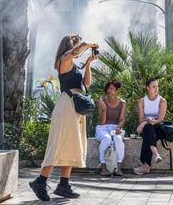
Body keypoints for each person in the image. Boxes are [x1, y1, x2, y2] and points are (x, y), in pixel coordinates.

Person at [29, 34, 99, 201]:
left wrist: (88, 63)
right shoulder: (64, 60)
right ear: (70, 45)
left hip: (74, 107)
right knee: (57, 144)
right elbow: (75, 51)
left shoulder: (73, 64)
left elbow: (86, 84)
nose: (80, 46)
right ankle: (40, 181)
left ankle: (63, 185)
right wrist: (88, 44)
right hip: (67, 106)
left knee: (71, 145)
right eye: (77, 43)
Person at [133, 77, 167, 175]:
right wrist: (147, 120)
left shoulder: (162, 101)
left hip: (159, 128)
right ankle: (155, 155)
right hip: (147, 127)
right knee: (148, 128)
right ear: (147, 88)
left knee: (148, 129)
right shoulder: (142, 101)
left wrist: (150, 122)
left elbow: (160, 119)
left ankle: (146, 166)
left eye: (157, 86)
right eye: (153, 86)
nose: (156, 89)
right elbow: (141, 119)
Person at [96, 80, 126, 176]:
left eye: (112, 88)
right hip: (102, 127)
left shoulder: (122, 103)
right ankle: (103, 167)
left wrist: (119, 127)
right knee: (107, 139)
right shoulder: (102, 101)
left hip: (115, 127)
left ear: (117, 91)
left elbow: (122, 119)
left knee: (118, 139)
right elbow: (102, 122)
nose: (109, 90)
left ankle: (119, 168)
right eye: (108, 88)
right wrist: (104, 109)